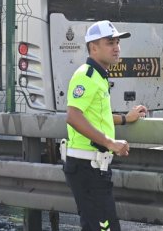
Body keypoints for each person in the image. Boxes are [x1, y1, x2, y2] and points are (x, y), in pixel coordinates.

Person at [62, 20, 148, 231]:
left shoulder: (99, 76)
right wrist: (111, 142)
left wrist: (125, 119)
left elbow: (96, 116)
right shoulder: (86, 75)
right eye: (110, 42)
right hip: (86, 167)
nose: (117, 47)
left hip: (92, 168)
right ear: (93, 47)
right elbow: (73, 116)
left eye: (117, 42)